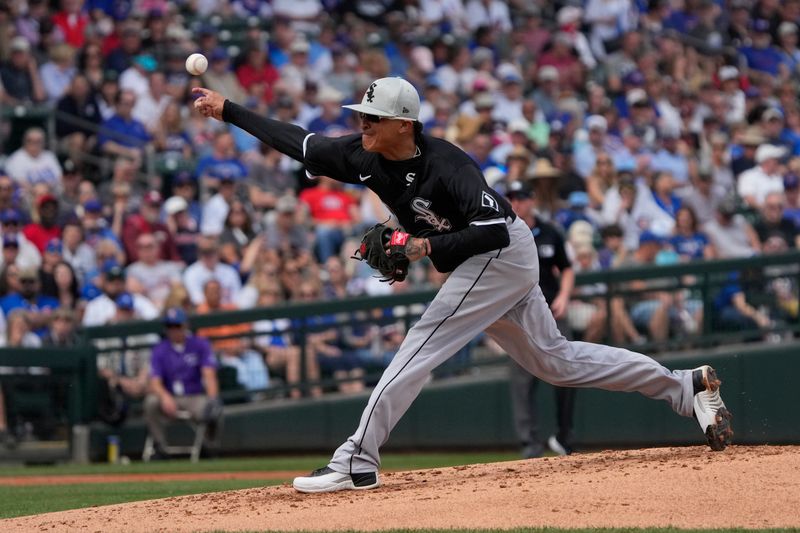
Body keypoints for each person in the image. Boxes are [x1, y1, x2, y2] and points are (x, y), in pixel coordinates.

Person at [192, 77, 733, 494]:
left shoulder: (449, 164)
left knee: (421, 343)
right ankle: (683, 388)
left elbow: (494, 226)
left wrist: (428, 247)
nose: (361, 124)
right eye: (360, 115)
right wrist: (229, 111)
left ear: (403, 124)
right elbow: (300, 144)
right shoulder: (362, 155)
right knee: (555, 362)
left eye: (372, 118)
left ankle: (357, 458)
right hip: (488, 264)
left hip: (500, 253)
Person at [505, 182, 577, 458]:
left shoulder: (549, 232)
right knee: (522, 380)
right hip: (519, 316)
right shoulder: (503, 232)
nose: (517, 203)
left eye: (521, 198)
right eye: (512, 198)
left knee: (569, 371)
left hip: (551, 310)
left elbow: (567, 268)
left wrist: (565, 295)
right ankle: (530, 445)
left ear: (531, 200)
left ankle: (564, 436)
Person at [144, 308, 222, 459]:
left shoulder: (199, 344)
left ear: (185, 326)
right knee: (150, 402)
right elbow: (155, 381)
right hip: (169, 396)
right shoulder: (160, 349)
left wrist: (213, 398)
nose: (173, 331)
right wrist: (165, 397)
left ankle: (209, 447)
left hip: (193, 396)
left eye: (177, 326)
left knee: (214, 407)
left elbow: (209, 374)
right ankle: (160, 447)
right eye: (170, 327)